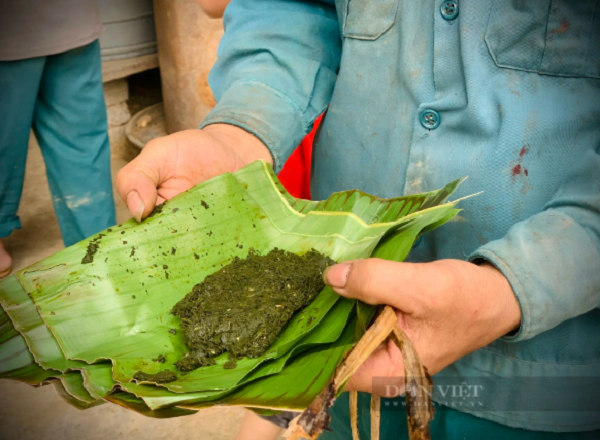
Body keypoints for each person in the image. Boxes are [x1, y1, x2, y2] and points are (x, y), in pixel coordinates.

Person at [116, 0, 600, 438]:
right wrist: (240, 131)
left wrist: (513, 287)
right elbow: (292, 9)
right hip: (337, 342)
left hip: (548, 382)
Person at [0, 0, 116, 278]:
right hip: (73, 21)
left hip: (9, 33)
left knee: (4, 143)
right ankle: (99, 249)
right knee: (82, 145)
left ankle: (98, 251)